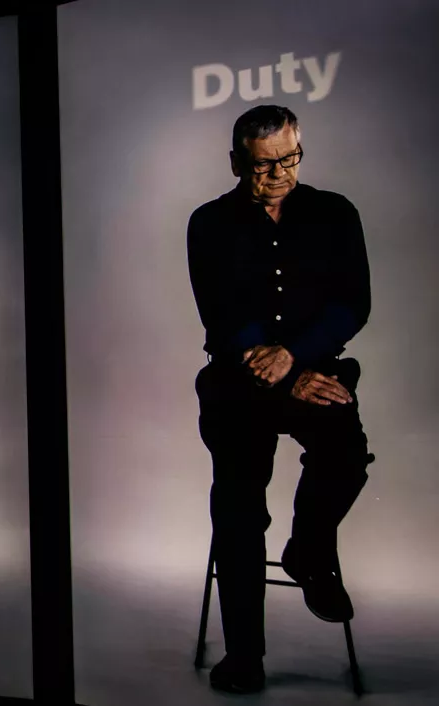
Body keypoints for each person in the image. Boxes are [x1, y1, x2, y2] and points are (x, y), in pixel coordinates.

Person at [187, 105, 374, 694]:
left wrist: (294, 358)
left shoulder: (335, 213)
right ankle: (244, 653)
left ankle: (308, 549)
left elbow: (352, 304)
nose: (277, 175)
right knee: (238, 506)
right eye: (262, 166)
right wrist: (276, 369)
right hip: (237, 381)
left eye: (288, 160)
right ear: (237, 162)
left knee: (346, 455)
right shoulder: (208, 222)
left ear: (300, 151)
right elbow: (219, 312)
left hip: (313, 369)